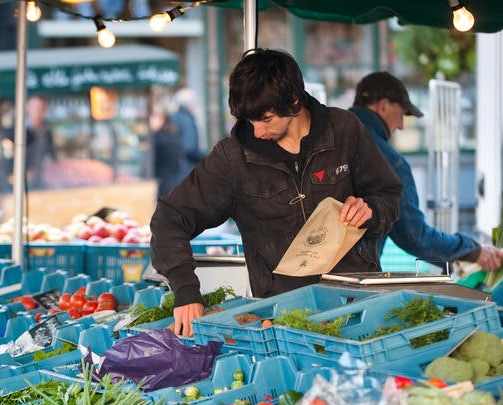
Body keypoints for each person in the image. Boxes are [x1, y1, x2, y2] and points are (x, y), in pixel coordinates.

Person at [149, 48, 402, 337]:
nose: (257, 131)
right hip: (281, 319)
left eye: (266, 119)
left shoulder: (344, 129)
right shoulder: (232, 159)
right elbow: (170, 218)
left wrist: (371, 209)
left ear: (294, 99)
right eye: (249, 120)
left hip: (357, 308)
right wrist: (185, 289)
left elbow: (389, 195)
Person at [350, 71, 503, 273]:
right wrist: (472, 250)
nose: (402, 125)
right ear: (383, 105)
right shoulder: (388, 161)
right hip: (350, 280)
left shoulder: (326, 137)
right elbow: (415, 236)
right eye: (402, 114)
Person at [170, 88, 205, 176]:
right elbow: (189, 148)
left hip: (175, 168)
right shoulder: (187, 120)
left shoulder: (174, 117)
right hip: (186, 168)